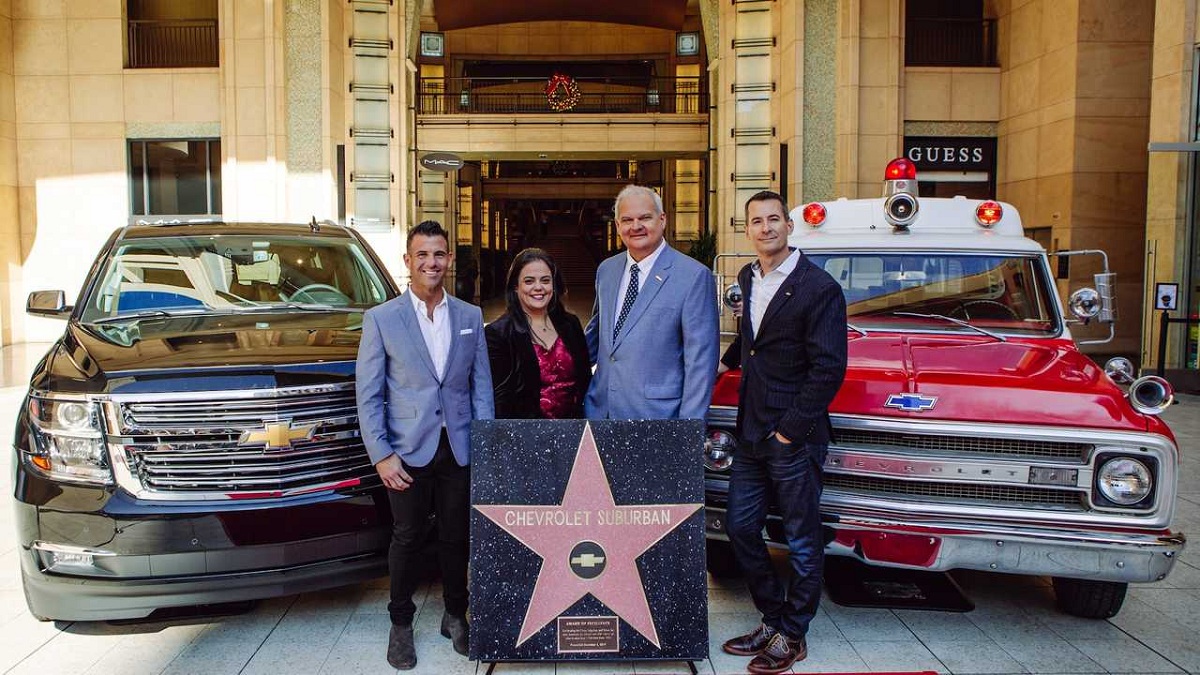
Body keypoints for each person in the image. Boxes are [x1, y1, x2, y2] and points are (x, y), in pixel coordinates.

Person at [355, 220, 495, 670]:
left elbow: (482, 389)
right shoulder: (382, 319)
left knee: (458, 536)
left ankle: (456, 614)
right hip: (405, 451)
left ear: (449, 259)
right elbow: (369, 393)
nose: (431, 263)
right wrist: (381, 455)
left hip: (459, 447)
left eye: (439, 254)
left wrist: (485, 446)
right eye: (422, 255)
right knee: (408, 537)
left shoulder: (471, 317)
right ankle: (401, 623)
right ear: (408, 262)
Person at [719, 191, 847, 675]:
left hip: (793, 435)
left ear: (789, 227)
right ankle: (772, 620)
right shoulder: (748, 277)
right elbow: (752, 340)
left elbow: (829, 368)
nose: (766, 227)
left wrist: (789, 433)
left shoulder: (819, 288)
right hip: (750, 431)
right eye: (757, 221)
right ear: (747, 229)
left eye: (774, 219)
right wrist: (720, 364)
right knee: (739, 527)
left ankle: (794, 634)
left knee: (800, 536)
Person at [584, 184, 719, 420]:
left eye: (645, 218)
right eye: (627, 220)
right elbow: (597, 338)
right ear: (617, 226)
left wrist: (687, 430)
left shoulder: (693, 276)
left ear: (662, 220)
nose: (636, 227)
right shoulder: (607, 270)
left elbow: (700, 364)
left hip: (659, 418)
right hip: (600, 412)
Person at [486, 248, 591, 419]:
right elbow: (501, 402)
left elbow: (585, 379)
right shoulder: (498, 334)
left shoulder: (570, 324)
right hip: (526, 436)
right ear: (515, 287)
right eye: (529, 281)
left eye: (545, 280)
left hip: (575, 431)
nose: (538, 287)